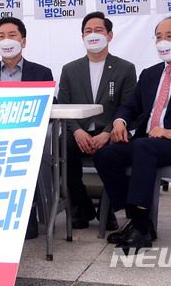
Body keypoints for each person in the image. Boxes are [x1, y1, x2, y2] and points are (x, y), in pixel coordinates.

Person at [93, 16, 171, 253]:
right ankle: (139, 219)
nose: (162, 42)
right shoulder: (150, 74)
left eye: (169, 36)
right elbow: (130, 106)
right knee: (105, 155)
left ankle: (140, 229)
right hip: (148, 142)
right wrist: (119, 122)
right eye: (158, 37)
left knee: (142, 146)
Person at [57, 12, 136, 231]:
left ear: (109, 35)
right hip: (78, 131)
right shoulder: (70, 69)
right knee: (63, 149)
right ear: (82, 37)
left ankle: (107, 209)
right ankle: (81, 206)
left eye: (98, 30)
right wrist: (76, 131)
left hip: (110, 132)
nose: (93, 35)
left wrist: (108, 132)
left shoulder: (125, 68)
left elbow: (129, 106)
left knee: (113, 154)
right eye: (88, 31)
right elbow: (62, 106)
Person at [0, 17, 53, 240]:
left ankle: (26, 213)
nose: (6, 40)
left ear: (23, 41)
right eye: (1, 36)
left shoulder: (41, 73)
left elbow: (48, 108)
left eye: (12, 35)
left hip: (27, 137)